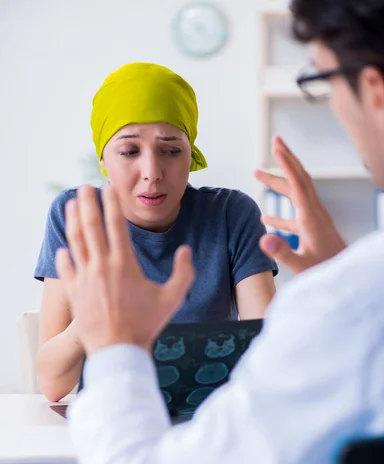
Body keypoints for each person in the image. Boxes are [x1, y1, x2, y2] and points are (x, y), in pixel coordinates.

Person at [57, 0, 384, 464]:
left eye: (321, 82)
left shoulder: (352, 305)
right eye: (128, 150)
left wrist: (114, 349)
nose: (151, 173)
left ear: (376, 93)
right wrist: (341, 287)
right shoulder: (358, 303)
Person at [34, 62, 277, 402]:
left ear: (190, 153)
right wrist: (94, 316)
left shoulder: (230, 214)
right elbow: (52, 385)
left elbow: (270, 352)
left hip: (210, 424)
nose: (151, 172)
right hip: (114, 422)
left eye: (171, 150)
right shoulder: (77, 213)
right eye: (129, 151)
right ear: (103, 159)